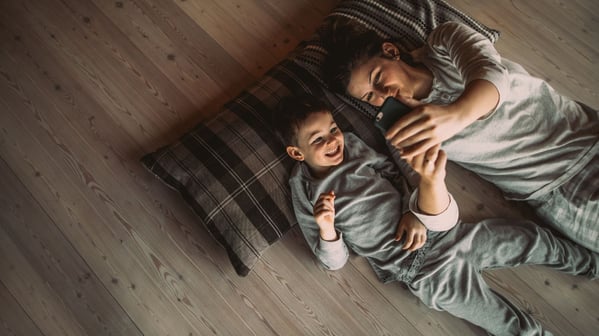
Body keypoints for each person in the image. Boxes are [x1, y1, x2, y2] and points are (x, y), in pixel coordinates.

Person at [272, 94, 598, 336]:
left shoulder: (354, 146)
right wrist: (327, 228)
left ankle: (590, 264)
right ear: (297, 153)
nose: (333, 140)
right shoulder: (304, 189)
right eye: (319, 139)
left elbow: (392, 172)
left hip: (445, 233)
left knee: (530, 237)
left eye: (333, 129)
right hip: (422, 269)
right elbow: (333, 261)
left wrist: (414, 211)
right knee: (510, 324)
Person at [323, 19, 599, 252]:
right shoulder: (402, 133)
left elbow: (491, 74)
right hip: (557, 194)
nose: (383, 95)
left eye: (378, 79)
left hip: (584, 135)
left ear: (391, 51)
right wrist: (431, 182)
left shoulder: (443, 42)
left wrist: (454, 116)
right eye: (370, 96)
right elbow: (443, 219)